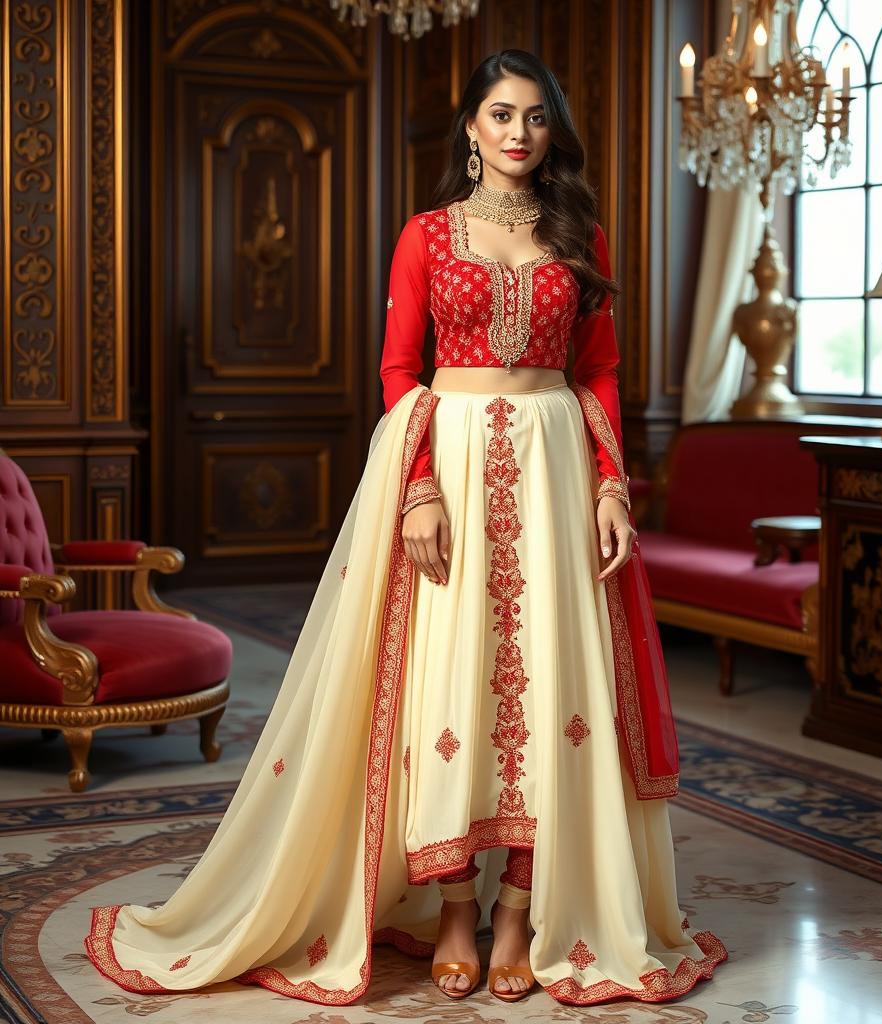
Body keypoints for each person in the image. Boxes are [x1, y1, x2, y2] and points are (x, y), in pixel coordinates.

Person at [83, 48, 726, 1007]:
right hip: (454, 463)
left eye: (536, 118)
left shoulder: (578, 233)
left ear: (552, 132)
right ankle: (456, 910)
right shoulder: (426, 235)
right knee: (445, 688)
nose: (519, 132)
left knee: (550, 692)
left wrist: (609, 489)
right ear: (469, 127)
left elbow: (599, 372)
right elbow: (397, 370)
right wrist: (419, 489)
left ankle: (519, 913)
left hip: (554, 471)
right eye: (501, 115)